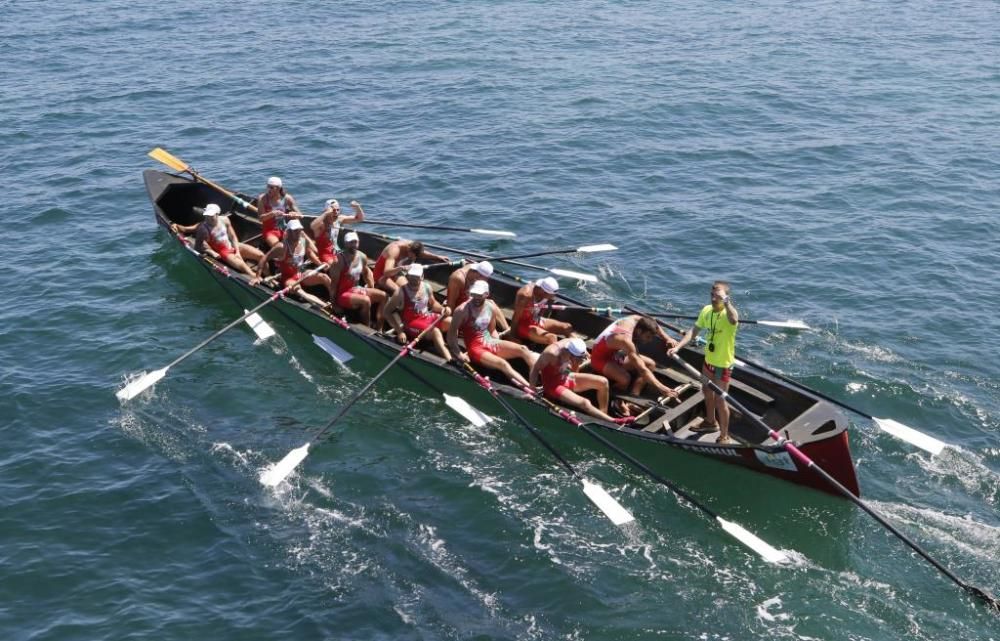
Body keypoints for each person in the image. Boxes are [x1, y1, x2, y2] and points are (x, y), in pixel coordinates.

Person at [667, 281, 739, 444]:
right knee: (706, 391)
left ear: (726, 298)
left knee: (721, 401)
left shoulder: (729, 315)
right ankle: (710, 422)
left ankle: (724, 436)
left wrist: (726, 301)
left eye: (718, 296)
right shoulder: (706, 311)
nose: (714, 299)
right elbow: (694, 331)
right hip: (709, 361)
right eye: (712, 295)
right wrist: (678, 346)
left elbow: (734, 319)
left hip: (723, 365)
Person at [447, 280, 537, 388]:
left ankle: (535, 382)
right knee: (502, 364)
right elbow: (451, 336)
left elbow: (492, 330)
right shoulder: (462, 310)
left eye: (479, 295)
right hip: (475, 349)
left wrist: (499, 342)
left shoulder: (491, 307)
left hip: (489, 341)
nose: (476, 297)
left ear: (486, 294)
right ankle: (531, 388)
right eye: (473, 294)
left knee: (524, 349)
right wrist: (458, 353)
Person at [590, 315, 679, 414]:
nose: (650, 340)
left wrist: (667, 338)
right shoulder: (625, 341)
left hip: (615, 354)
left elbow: (653, 322)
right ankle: (616, 401)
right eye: (648, 337)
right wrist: (662, 388)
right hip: (599, 359)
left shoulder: (634, 319)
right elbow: (642, 369)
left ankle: (633, 397)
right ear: (639, 331)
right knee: (625, 379)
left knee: (650, 364)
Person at [529, 338, 629, 424]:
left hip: (566, 377)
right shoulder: (551, 353)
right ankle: (613, 421)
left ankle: (603, 416)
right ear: (571, 354)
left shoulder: (575, 344)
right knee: (584, 403)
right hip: (553, 385)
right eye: (578, 359)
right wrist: (532, 391)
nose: (581, 361)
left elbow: (577, 364)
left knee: (603, 382)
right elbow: (535, 369)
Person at [250, 219, 330, 308]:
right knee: (300, 292)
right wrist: (257, 277)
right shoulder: (281, 247)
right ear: (288, 232)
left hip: (301, 274)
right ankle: (325, 306)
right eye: (295, 231)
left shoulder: (303, 241)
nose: (298, 233)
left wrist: (320, 264)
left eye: (299, 230)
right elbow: (264, 258)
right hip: (288, 279)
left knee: (325, 277)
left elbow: (310, 254)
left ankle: (335, 303)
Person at [170, 204, 264, 276]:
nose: (208, 218)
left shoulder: (225, 220)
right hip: (223, 252)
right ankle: (261, 281)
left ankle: (270, 277)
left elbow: (233, 237)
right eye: (207, 216)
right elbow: (196, 246)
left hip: (233, 245)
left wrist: (238, 252)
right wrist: (176, 225)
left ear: (217, 214)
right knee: (244, 267)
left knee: (261, 255)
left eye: (211, 216)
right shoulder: (202, 228)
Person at [384, 264, 452, 360]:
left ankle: (453, 349)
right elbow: (387, 312)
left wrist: (443, 309)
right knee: (435, 331)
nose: (413, 279)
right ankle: (450, 360)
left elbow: (433, 304)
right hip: (411, 323)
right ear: (407, 276)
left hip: (426, 317)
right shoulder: (400, 292)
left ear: (422, 277)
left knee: (450, 321)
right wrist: (399, 332)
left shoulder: (427, 287)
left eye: (416, 277)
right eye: (411, 276)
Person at [327, 231, 387, 327]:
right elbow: (333, 284)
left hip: (356, 289)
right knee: (366, 300)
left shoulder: (362, 257)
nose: (353, 245)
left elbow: (366, 274)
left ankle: (380, 328)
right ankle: (367, 328)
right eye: (350, 243)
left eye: (355, 242)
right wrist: (334, 304)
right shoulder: (338, 261)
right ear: (345, 244)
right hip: (342, 294)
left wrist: (372, 288)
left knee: (384, 296)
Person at [372, 239, 450, 295]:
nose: (413, 259)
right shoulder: (394, 250)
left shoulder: (412, 246)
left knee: (409, 290)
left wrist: (437, 257)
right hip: (382, 274)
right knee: (400, 292)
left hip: (395, 272)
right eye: (412, 256)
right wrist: (401, 268)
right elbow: (387, 272)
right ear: (409, 250)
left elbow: (422, 253)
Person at [512, 276, 573, 346]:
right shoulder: (525, 296)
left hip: (536, 321)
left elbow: (541, 312)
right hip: (523, 326)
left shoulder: (546, 295)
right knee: (552, 338)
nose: (554, 296)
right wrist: (512, 337)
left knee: (567, 327)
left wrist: (541, 330)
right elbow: (515, 318)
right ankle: (562, 353)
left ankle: (578, 348)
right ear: (544, 292)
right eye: (552, 295)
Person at [311, 199, 365, 265]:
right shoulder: (321, 224)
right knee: (339, 265)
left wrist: (357, 207)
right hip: (325, 254)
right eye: (333, 210)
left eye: (338, 210)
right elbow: (312, 226)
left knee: (360, 258)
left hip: (337, 251)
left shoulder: (339, 219)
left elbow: (359, 219)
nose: (336, 212)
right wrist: (325, 213)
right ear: (327, 211)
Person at [257, 176, 303, 247]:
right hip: (269, 231)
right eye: (268, 187)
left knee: (303, 237)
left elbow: (300, 215)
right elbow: (261, 218)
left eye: (272, 187)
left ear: (278, 188)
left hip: (284, 229)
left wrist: (295, 214)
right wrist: (272, 213)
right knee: (279, 247)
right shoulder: (262, 199)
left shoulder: (287, 198)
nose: (269, 189)